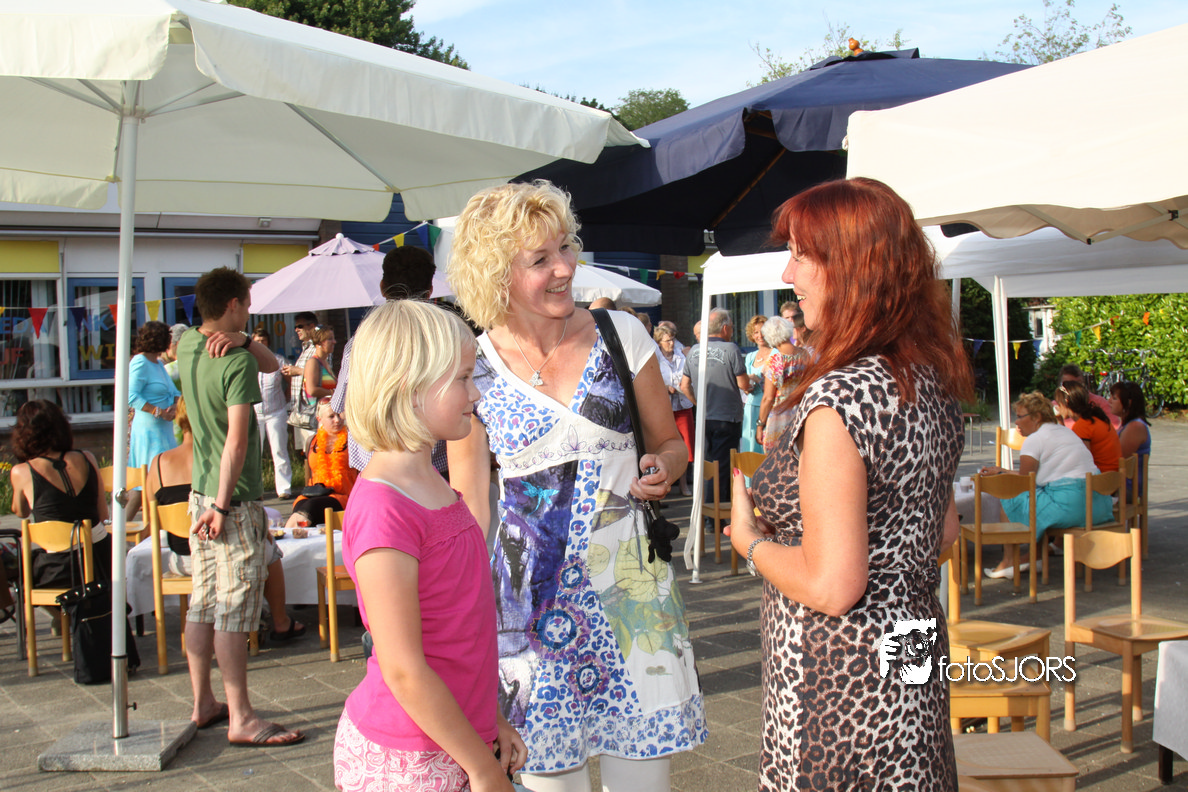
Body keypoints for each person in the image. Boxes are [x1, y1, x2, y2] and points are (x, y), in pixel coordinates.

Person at [447, 180, 705, 791]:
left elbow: (670, 444)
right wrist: (463, 618)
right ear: (495, 274)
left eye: (565, 247)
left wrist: (665, 467)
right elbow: (470, 508)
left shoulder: (622, 334)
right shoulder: (471, 366)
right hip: (529, 616)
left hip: (633, 598)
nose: (566, 268)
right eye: (541, 258)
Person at [726, 178, 970, 791]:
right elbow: (942, 531)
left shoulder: (840, 398)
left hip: (838, 682)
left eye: (801, 256)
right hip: (913, 658)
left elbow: (833, 586)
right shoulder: (929, 380)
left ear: (851, 268)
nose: (788, 274)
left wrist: (749, 541)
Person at [333, 299, 526, 792]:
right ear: (409, 387)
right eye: (462, 379)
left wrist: (492, 720)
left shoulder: (431, 483)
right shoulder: (385, 510)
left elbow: (459, 633)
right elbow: (404, 669)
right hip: (409, 757)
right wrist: (482, 767)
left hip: (452, 739)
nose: (475, 393)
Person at [177, 266, 302, 745]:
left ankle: (202, 702)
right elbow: (237, 440)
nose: (250, 313)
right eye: (247, 305)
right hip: (231, 498)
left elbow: (271, 365)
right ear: (233, 304)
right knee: (232, 610)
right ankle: (242, 718)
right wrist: (224, 506)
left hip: (198, 493)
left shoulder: (188, 345)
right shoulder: (235, 363)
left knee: (202, 603)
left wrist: (246, 339)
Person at [148, 397, 303, 640]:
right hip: (223, 551)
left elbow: (151, 518)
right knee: (269, 550)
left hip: (180, 558)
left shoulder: (157, 464)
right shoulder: (221, 459)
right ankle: (280, 620)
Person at [330, 245, 445, 477]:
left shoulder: (361, 340)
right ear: (430, 290)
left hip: (376, 465)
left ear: (382, 287)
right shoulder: (445, 338)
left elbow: (339, 404)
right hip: (434, 465)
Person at [978, 391, 1114, 578]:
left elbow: (1024, 481)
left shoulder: (1035, 439)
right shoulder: (1065, 431)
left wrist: (1001, 474)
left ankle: (1009, 560)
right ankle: (1032, 557)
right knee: (1038, 497)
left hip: (1072, 507)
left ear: (1037, 417)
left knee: (1011, 497)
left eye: (1020, 417)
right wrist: (1003, 470)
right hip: (1097, 505)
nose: (1016, 422)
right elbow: (1034, 476)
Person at [10, 400, 111, 589]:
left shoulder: (22, 471)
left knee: (26, 571)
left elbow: (21, 512)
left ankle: (54, 610)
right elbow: (104, 515)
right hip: (100, 559)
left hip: (57, 567)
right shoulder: (87, 457)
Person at [680, 308, 752, 501]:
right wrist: (752, 382)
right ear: (725, 328)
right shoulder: (731, 349)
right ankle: (718, 510)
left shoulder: (694, 350)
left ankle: (707, 507)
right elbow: (743, 384)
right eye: (732, 327)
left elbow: (684, 385)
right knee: (723, 466)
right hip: (727, 417)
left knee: (707, 464)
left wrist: (699, 404)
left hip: (704, 418)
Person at [126, 320, 181, 521]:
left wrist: (175, 405)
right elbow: (131, 395)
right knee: (145, 484)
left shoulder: (158, 364)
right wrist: (158, 411)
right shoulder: (139, 362)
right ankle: (124, 529)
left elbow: (173, 391)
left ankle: (162, 526)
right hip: (148, 432)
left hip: (164, 430)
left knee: (164, 479)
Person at [286, 399, 356, 528]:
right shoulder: (312, 441)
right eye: (331, 416)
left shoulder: (353, 440)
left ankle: (287, 533)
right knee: (300, 505)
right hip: (316, 492)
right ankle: (294, 534)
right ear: (319, 419)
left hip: (343, 495)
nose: (337, 420)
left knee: (311, 507)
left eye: (339, 415)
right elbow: (310, 473)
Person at [755, 316, 809, 452]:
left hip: (780, 416)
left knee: (778, 457)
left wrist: (760, 424)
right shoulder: (805, 355)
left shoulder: (775, 361)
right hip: (802, 413)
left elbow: (768, 398)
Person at [251, 329, 293, 499]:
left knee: (279, 450)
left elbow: (291, 380)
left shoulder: (278, 360)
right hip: (255, 412)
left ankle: (284, 488)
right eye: (257, 340)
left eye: (263, 340)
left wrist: (287, 398)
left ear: (268, 342)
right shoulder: (248, 360)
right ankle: (256, 489)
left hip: (276, 411)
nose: (261, 343)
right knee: (255, 452)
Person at [654, 322, 694, 495]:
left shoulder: (681, 356)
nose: (671, 343)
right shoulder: (655, 359)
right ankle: (665, 484)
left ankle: (684, 484)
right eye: (667, 341)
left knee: (685, 446)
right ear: (659, 342)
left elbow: (689, 377)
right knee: (664, 446)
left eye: (672, 339)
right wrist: (665, 387)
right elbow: (653, 381)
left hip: (683, 406)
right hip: (665, 408)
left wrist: (679, 385)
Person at [1054, 381, 1121, 472]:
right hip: (1114, 474)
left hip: (1100, 476)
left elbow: (1083, 461)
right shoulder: (1097, 417)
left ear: (1066, 401)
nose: (1057, 407)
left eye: (1058, 403)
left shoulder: (1082, 426)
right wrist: (1060, 421)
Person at [284, 311, 319, 454]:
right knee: (306, 451)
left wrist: (297, 371)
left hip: (311, 411)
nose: (296, 330)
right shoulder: (306, 349)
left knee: (315, 450)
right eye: (295, 327)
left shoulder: (318, 347)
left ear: (311, 326)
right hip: (301, 411)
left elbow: (323, 373)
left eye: (300, 326)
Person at [1109, 380, 1152, 494]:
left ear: (1128, 402)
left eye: (1114, 398)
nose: (1109, 401)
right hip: (1120, 483)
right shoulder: (1127, 425)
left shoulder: (1135, 427)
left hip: (1127, 488)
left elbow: (1117, 460)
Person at [740, 314, 771, 454]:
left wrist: (758, 379)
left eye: (763, 331)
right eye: (756, 332)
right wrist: (747, 385)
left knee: (765, 449)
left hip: (767, 407)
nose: (760, 335)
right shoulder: (750, 356)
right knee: (749, 450)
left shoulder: (776, 354)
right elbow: (746, 387)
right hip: (750, 406)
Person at [1057, 363, 1121, 430]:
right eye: (1067, 385)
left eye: (1078, 384)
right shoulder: (1055, 405)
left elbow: (1115, 427)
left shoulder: (1099, 403)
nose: (1074, 389)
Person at [301, 325, 337, 431]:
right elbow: (312, 390)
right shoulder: (313, 362)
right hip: (317, 419)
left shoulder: (325, 362)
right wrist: (334, 393)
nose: (334, 342)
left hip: (328, 416)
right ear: (320, 343)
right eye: (330, 339)